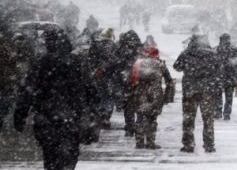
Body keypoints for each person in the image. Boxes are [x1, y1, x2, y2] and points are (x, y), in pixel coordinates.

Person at [14, 27, 99, 170]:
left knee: (50, 155)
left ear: (48, 43)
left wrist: (20, 114)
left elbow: (27, 90)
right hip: (72, 116)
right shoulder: (77, 63)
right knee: (70, 153)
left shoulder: (40, 63)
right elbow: (90, 89)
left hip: (46, 117)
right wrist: (93, 108)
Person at [174, 35, 224, 153]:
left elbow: (177, 67)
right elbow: (219, 72)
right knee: (208, 119)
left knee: (188, 118)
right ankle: (209, 144)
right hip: (207, 90)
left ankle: (188, 144)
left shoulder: (186, 53)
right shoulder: (213, 54)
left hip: (190, 90)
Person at [129, 45, 172, 149]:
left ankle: (139, 142)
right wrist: (167, 97)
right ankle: (150, 142)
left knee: (139, 117)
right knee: (152, 118)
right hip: (155, 94)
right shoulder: (160, 64)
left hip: (140, 93)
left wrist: (131, 94)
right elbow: (169, 81)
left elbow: (131, 80)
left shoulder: (138, 63)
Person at [114, 30, 144, 136]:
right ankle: (139, 125)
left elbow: (116, 65)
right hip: (139, 81)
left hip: (127, 81)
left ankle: (130, 127)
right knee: (140, 104)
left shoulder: (121, 49)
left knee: (128, 105)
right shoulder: (141, 49)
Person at [87, 28, 117, 129]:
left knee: (98, 95)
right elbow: (116, 61)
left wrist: (95, 69)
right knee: (109, 96)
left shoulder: (95, 45)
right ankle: (106, 116)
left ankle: (98, 114)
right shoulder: (113, 46)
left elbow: (90, 59)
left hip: (96, 75)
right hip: (109, 76)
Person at [215, 34, 237, 120]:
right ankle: (227, 113)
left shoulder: (215, 50)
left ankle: (218, 111)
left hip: (218, 76)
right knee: (229, 96)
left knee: (218, 95)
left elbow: (212, 64)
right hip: (230, 76)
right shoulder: (234, 50)